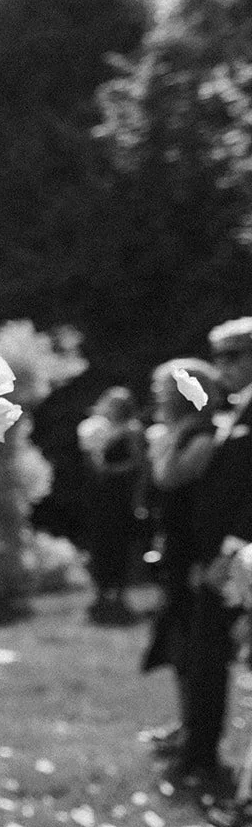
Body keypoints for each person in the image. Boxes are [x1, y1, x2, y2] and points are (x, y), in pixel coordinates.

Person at [173, 317, 252, 787]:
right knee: (204, 656)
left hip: (239, 560)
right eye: (218, 357)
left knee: (212, 655)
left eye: (234, 356)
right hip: (217, 557)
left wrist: (230, 552)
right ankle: (199, 752)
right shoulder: (235, 410)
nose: (222, 367)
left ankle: (206, 760)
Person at [139, 357, 222, 756]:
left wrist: (166, 442)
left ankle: (195, 734)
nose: (157, 398)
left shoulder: (203, 435)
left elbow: (169, 478)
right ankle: (186, 725)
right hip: (178, 551)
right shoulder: (186, 432)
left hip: (193, 554)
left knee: (191, 642)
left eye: (163, 391)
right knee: (178, 640)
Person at [77, 386, 146, 622]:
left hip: (121, 495)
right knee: (99, 542)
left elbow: (138, 463)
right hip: (100, 496)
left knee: (119, 542)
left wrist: (112, 471)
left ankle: (119, 590)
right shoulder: (98, 429)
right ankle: (101, 589)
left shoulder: (132, 430)